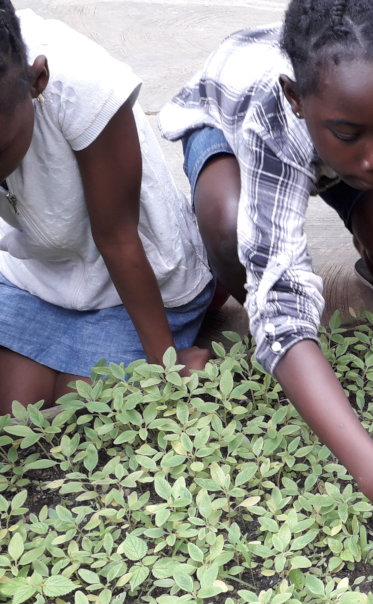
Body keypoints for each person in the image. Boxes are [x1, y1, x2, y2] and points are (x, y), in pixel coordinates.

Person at [158, 0, 373, 555]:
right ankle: (287, 358)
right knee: (230, 228)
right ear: (297, 98)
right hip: (229, 126)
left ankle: (372, 251)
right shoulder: (273, 113)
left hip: (322, 137)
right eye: (352, 134)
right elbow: (282, 301)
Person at [0, 3, 214, 415]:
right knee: (16, 408)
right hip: (32, 277)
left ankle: (197, 307)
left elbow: (118, 237)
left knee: (91, 403)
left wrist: (166, 367)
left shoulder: (83, 83)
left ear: (36, 80)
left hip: (131, 281)